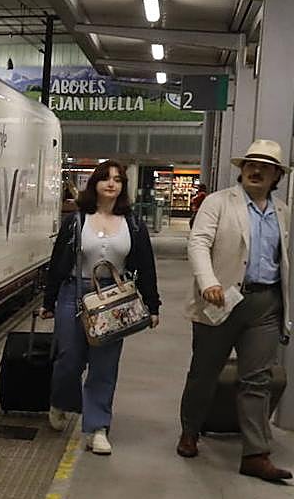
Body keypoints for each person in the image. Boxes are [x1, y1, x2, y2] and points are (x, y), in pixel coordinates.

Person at [176, 139, 292, 481]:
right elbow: (198, 242)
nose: (256, 171)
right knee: (204, 373)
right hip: (221, 299)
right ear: (242, 170)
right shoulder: (218, 202)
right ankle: (190, 431)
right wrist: (208, 281)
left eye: (265, 167)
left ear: (276, 176)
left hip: (265, 304)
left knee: (257, 379)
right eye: (250, 165)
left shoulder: (282, 210)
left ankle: (256, 453)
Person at [41, 160, 160, 454]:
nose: (112, 184)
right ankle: (60, 401)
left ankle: (97, 427)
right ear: (94, 184)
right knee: (69, 358)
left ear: (123, 187)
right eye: (105, 178)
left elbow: (146, 264)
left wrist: (153, 304)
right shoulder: (77, 220)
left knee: (104, 365)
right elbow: (58, 261)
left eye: (118, 180)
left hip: (113, 297)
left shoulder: (133, 224)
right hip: (74, 293)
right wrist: (49, 300)